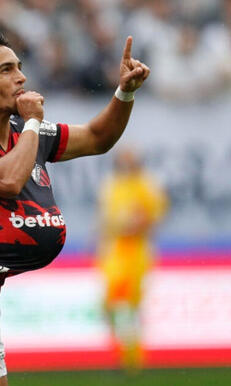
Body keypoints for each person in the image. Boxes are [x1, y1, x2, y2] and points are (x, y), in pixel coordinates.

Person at [0, 31, 151, 386]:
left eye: (19, 67)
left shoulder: (25, 130)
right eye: (6, 70)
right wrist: (33, 122)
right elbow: (5, 180)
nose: (21, 77)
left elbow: (98, 138)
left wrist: (124, 92)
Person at [96, 147, 167, 373]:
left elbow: (153, 217)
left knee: (130, 305)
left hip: (135, 251)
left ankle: (132, 357)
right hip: (113, 250)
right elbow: (104, 218)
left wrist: (135, 226)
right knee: (109, 304)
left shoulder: (146, 185)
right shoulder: (113, 185)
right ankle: (123, 350)